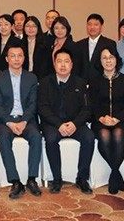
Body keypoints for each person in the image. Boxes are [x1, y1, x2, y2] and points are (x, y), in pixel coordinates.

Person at [38, 48, 94, 194]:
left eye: (66, 61)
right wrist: (59, 124)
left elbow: (87, 109)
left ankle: (82, 178)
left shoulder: (80, 83)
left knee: (89, 137)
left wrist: (75, 124)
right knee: (51, 139)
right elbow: (43, 108)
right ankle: (57, 179)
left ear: (72, 64)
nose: (63, 65)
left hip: (75, 123)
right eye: (59, 61)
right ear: (54, 64)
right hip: (53, 124)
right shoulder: (45, 83)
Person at [0, 44, 42, 199]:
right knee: (3, 138)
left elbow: (33, 104)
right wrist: (10, 123)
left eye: (19, 55)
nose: (16, 59)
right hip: (5, 121)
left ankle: (32, 179)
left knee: (36, 136)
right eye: (12, 56)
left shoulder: (31, 78)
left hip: (26, 120)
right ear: (7, 59)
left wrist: (24, 121)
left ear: (24, 58)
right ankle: (15, 181)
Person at [89, 47, 124, 194]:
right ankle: (116, 174)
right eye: (104, 58)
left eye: (111, 57)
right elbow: (92, 105)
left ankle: (114, 174)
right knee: (104, 135)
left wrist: (117, 118)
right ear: (100, 61)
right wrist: (101, 117)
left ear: (117, 60)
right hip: (100, 121)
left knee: (118, 134)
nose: (108, 61)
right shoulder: (94, 82)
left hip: (123, 121)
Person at [74, 13, 117, 82]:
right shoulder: (78, 45)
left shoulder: (110, 44)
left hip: (101, 82)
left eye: (96, 25)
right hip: (82, 83)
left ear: (101, 27)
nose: (92, 27)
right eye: (89, 24)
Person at [0, 14, 22, 80]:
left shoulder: (18, 42)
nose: (3, 27)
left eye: (6, 24)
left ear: (12, 26)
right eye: (0, 25)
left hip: (12, 76)